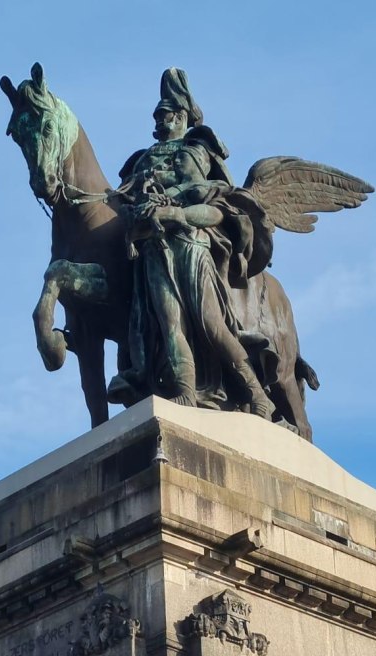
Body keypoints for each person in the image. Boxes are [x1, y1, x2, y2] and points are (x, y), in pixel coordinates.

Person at [108, 68, 274, 419]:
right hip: (154, 249)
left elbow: (213, 203)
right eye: (156, 116)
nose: (157, 121)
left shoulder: (193, 153)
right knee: (169, 322)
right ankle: (184, 391)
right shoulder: (141, 160)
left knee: (210, 323)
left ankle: (258, 395)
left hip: (191, 245)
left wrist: (173, 209)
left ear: (181, 116)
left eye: (164, 115)